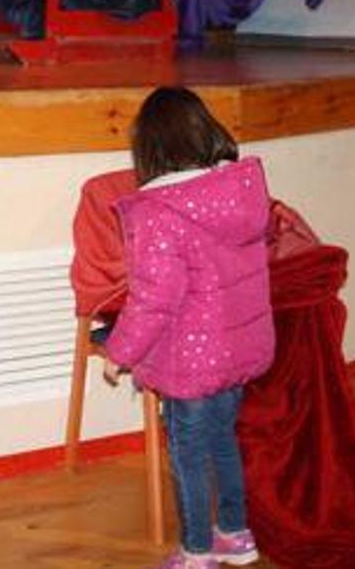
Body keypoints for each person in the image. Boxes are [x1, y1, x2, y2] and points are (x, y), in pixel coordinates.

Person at [102, 86, 275, 569]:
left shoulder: (160, 213)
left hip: (192, 362)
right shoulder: (235, 193)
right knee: (222, 441)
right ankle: (235, 534)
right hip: (236, 350)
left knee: (188, 456)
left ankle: (197, 551)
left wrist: (120, 354)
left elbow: (153, 299)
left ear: (151, 148)